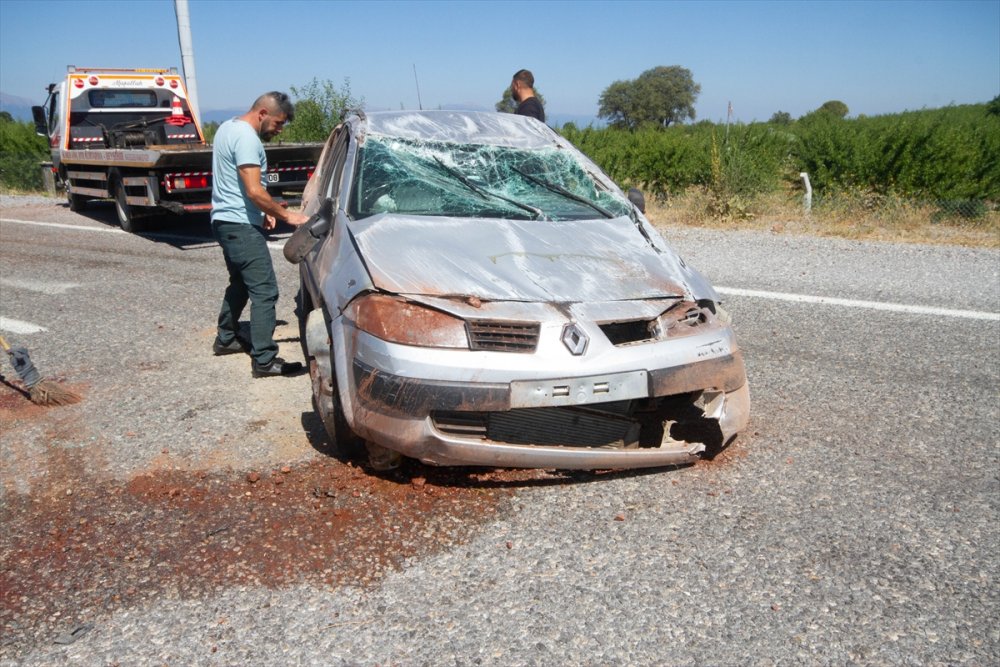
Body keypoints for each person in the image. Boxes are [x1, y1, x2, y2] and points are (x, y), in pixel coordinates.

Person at [210, 91, 310, 378]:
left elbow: (239, 183)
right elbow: (254, 190)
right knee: (265, 290)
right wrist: (288, 215)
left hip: (225, 221)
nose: (279, 130)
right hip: (240, 225)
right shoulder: (247, 138)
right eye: (278, 123)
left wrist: (263, 211)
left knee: (241, 283)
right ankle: (264, 360)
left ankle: (226, 338)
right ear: (263, 113)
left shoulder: (227, 128)